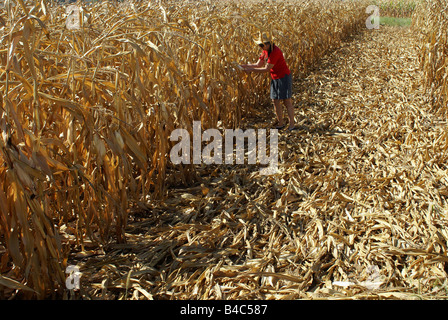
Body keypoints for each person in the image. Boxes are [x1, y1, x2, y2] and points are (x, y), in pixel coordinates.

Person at [240, 32, 296, 131]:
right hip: (275, 78)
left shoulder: (275, 52)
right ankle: (281, 123)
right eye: (259, 45)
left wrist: (250, 70)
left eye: (262, 45)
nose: (260, 47)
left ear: (269, 43)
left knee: (287, 101)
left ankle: (292, 125)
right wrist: (243, 66)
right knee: (275, 101)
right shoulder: (265, 51)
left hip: (283, 77)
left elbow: (266, 69)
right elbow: (258, 65)